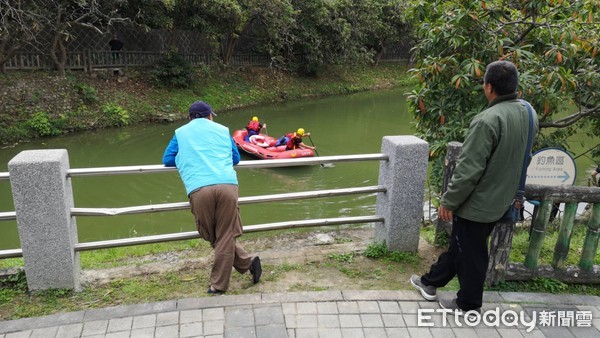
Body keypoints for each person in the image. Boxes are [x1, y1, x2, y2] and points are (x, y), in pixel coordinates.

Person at [410, 60, 539, 313]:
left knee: (471, 253)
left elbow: (468, 170)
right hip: (504, 198)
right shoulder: (528, 112)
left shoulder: (488, 120)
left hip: (478, 204)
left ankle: (468, 302)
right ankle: (429, 283)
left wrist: (449, 201)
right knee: (463, 245)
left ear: (489, 87)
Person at [162, 100, 262, 294]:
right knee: (222, 235)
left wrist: (189, 158)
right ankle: (248, 263)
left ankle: (218, 285)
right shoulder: (223, 130)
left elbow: (167, 159)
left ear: (190, 117)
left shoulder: (180, 133)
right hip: (227, 185)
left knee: (212, 234)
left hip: (199, 187)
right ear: (209, 116)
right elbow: (235, 158)